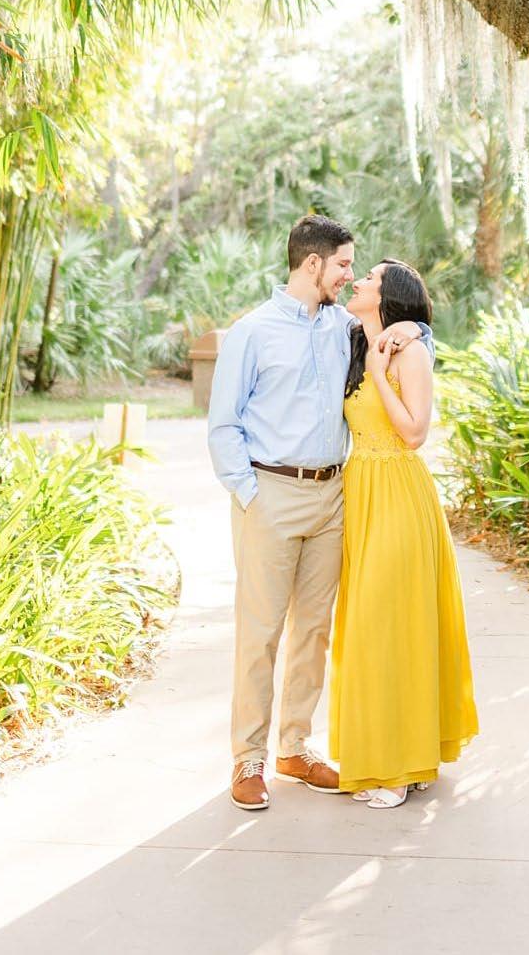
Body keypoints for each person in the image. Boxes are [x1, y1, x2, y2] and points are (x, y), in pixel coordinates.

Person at [208, 215, 432, 811]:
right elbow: (223, 424)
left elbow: (409, 338)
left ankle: (294, 749)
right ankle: (248, 758)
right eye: (343, 265)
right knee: (261, 632)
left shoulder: (344, 328)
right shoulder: (252, 332)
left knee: (313, 631)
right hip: (270, 494)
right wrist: (249, 494)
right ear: (313, 264)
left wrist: (412, 327)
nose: (349, 276)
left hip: (334, 496)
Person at [329, 259, 478, 807]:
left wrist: (381, 367)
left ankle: (396, 769)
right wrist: (375, 352)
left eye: (369, 278)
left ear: (388, 293)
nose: (358, 281)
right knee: (370, 630)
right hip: (361, 492)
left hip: (398, 492)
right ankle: (400, 755)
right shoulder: (354, 340)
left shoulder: (408, 352)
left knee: (391, 626)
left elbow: (415, 432)